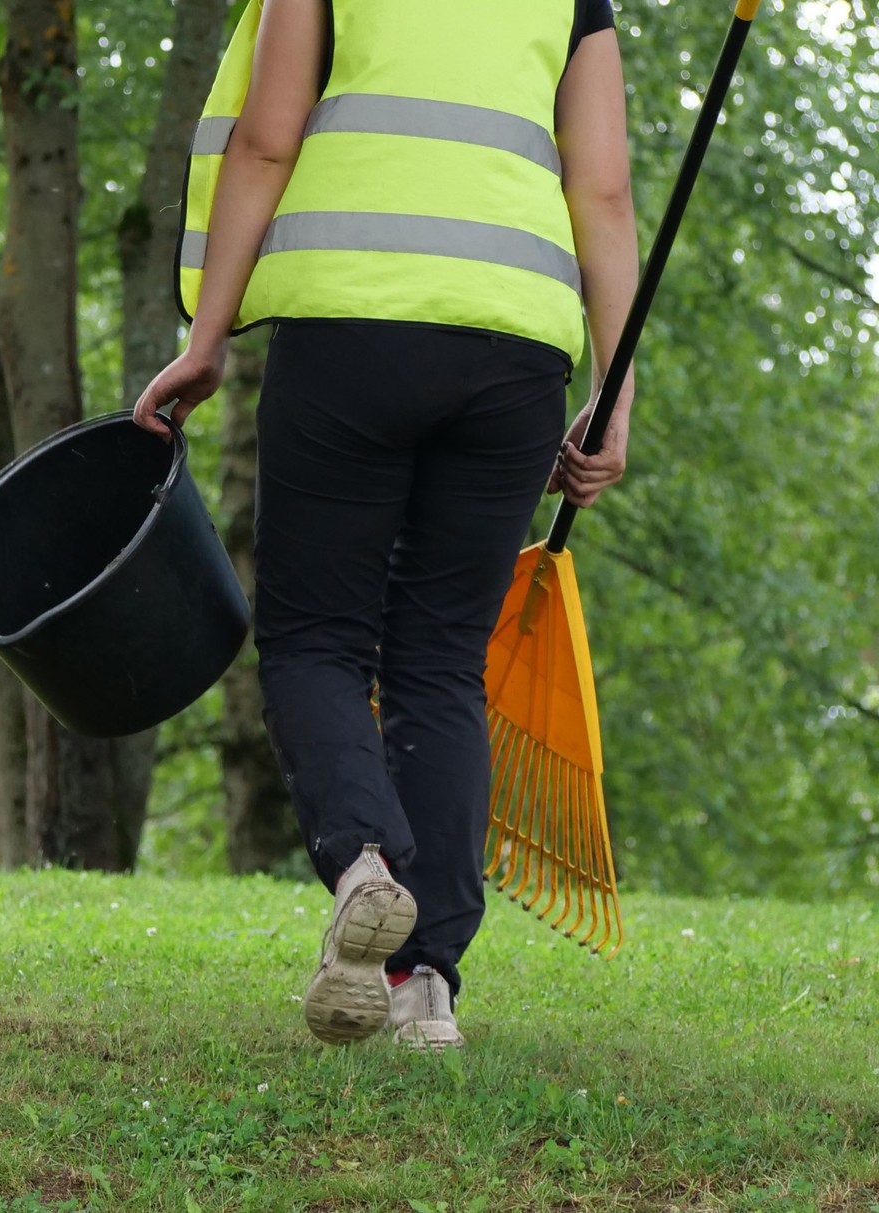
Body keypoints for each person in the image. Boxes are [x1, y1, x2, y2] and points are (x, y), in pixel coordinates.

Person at [133, 0, 639, 1050]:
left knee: (316, 638)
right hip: (515, 352)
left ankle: (364, 862)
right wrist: (615, 389)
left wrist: (209, 336)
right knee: (443, 664)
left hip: (352, 329)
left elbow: (269, 138)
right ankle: (425, 989)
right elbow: (602, 187)